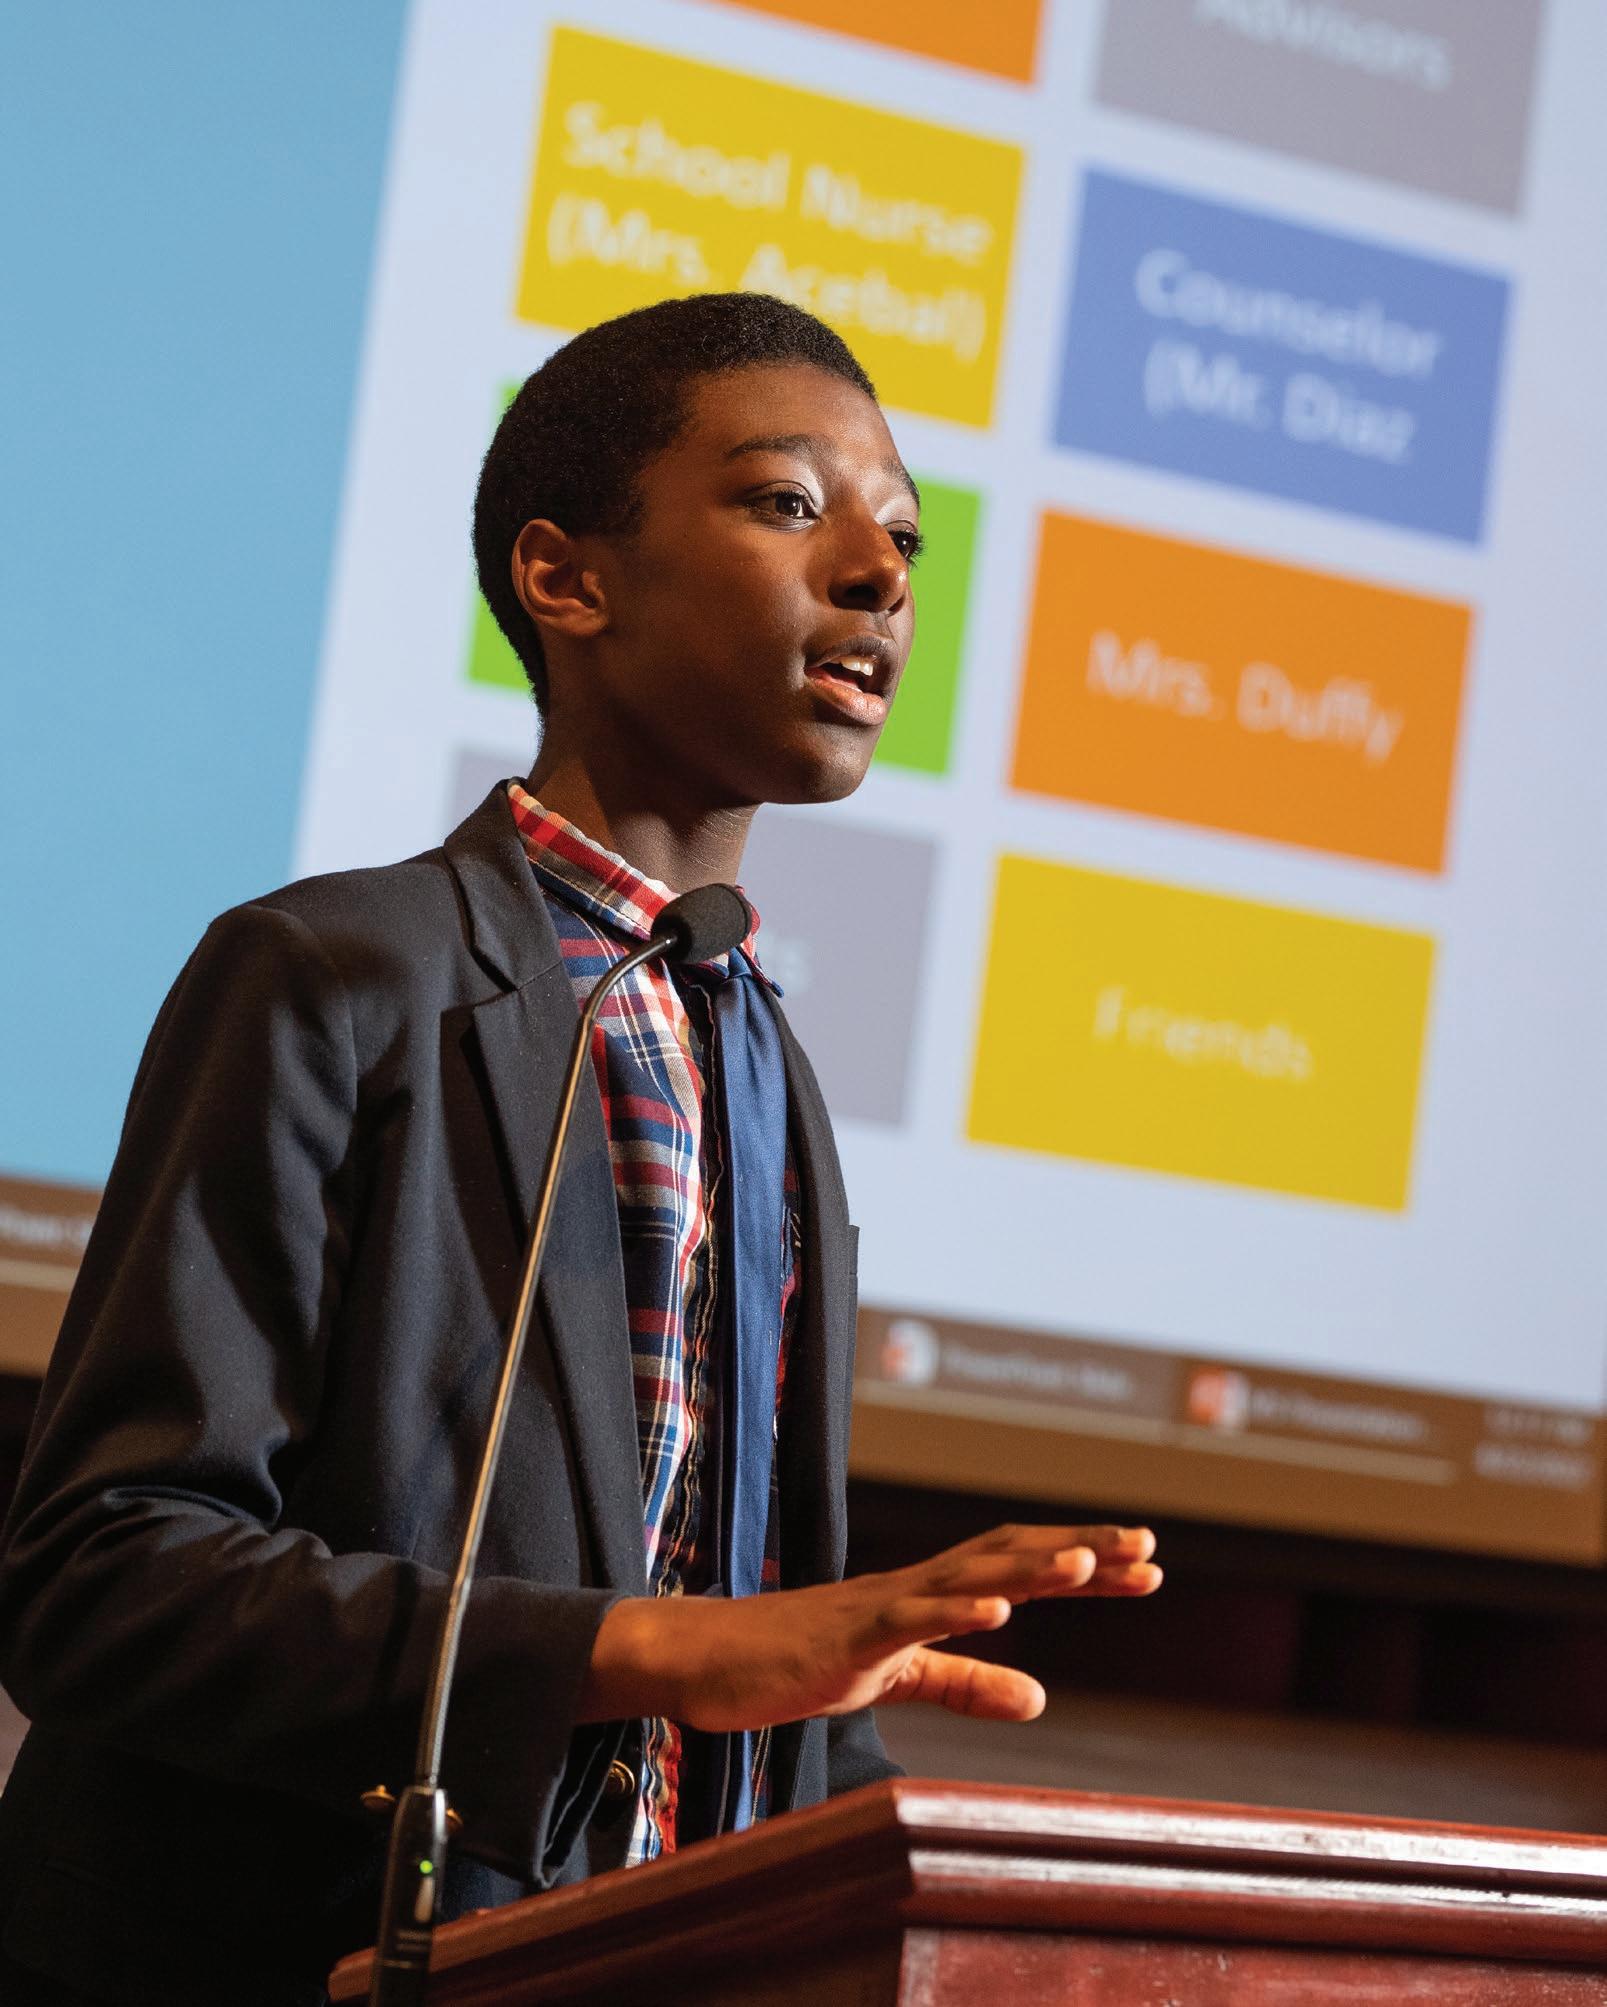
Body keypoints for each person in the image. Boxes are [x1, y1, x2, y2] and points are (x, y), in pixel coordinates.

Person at [0, 293, 1161, 2006]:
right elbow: (104, 1581)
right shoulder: (336, 977)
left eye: (906, 537)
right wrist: (645, 1650)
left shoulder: (760, 1058)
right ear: (566, 578)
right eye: (789, 503)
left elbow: (736, 1636)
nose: (880, 574)